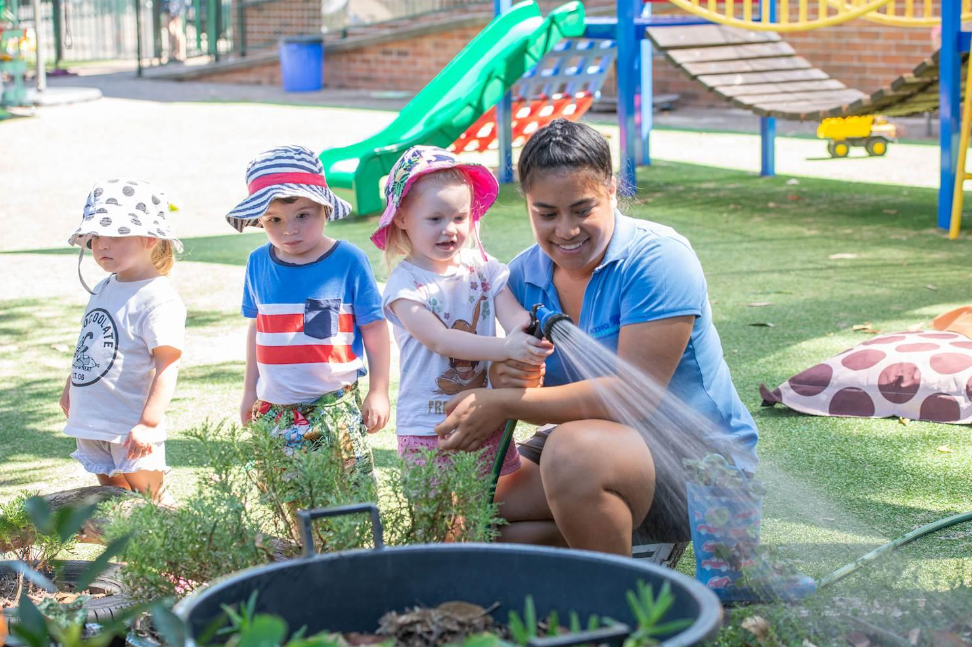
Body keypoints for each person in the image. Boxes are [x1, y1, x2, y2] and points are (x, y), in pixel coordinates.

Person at [434, 119, 759, 555]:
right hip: (598, 448)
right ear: (527, 204)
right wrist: (506, 374)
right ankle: (627, 544)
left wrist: (505, 402)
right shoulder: (524, 276)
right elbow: (521, 377)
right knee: (469, 510)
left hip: (695, 465)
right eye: (546, 214)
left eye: (582, 209)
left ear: (610, 189)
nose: (566, 230)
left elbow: (634, 397)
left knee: (571, 453)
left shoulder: (658, 259)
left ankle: (617, 600)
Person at [372, 145, 552, 474]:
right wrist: (505, 347)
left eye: (459, 217)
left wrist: (528, 333)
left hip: (483, 419)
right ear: (402, 219)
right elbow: (440, 340)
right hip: (429, 426)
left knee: (488, 513)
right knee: (437, 520)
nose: (450, 229)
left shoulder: (483, 269)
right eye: (435, 218)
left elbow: (513, 316)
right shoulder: (405, 285)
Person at [228, 145, 389, 472]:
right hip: (274, 408)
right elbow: (258, 327)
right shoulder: (257, 263)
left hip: (334, 406)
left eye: (303, 215)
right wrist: (249, 390)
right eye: (274, 219)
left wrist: (379, 391)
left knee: (347, 494)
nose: (289, 230)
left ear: (324, 209)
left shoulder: (348, 260)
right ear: (260, 220)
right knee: (287, 497)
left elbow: (374, 327)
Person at [61, 179, 186, 504]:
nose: (102, 245)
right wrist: (70, 387)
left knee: (152, 509)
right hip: (93, 420)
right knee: (114, 507)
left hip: (130, 424)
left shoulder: (159, 298)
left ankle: (166, 556)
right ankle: (127, 557)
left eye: (116, 235)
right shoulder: (103, 287)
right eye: (97, 236)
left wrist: (148, 423)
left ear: (149, 237)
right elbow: (91, 343)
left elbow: (167, 364)